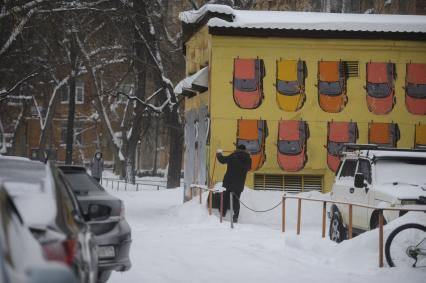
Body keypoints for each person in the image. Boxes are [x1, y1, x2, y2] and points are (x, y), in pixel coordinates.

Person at [216, 144, 252, 223]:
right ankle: (235, 216)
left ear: (237, 149)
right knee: (236, 200)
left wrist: (218, 154)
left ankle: (222, 213)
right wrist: (249, 156)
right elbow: (249, 168)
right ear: (245, 150)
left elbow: (222, 160)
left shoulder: (233, 155)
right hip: (239, 184)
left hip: (228, 182)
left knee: (225, 197)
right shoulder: (248, 158)